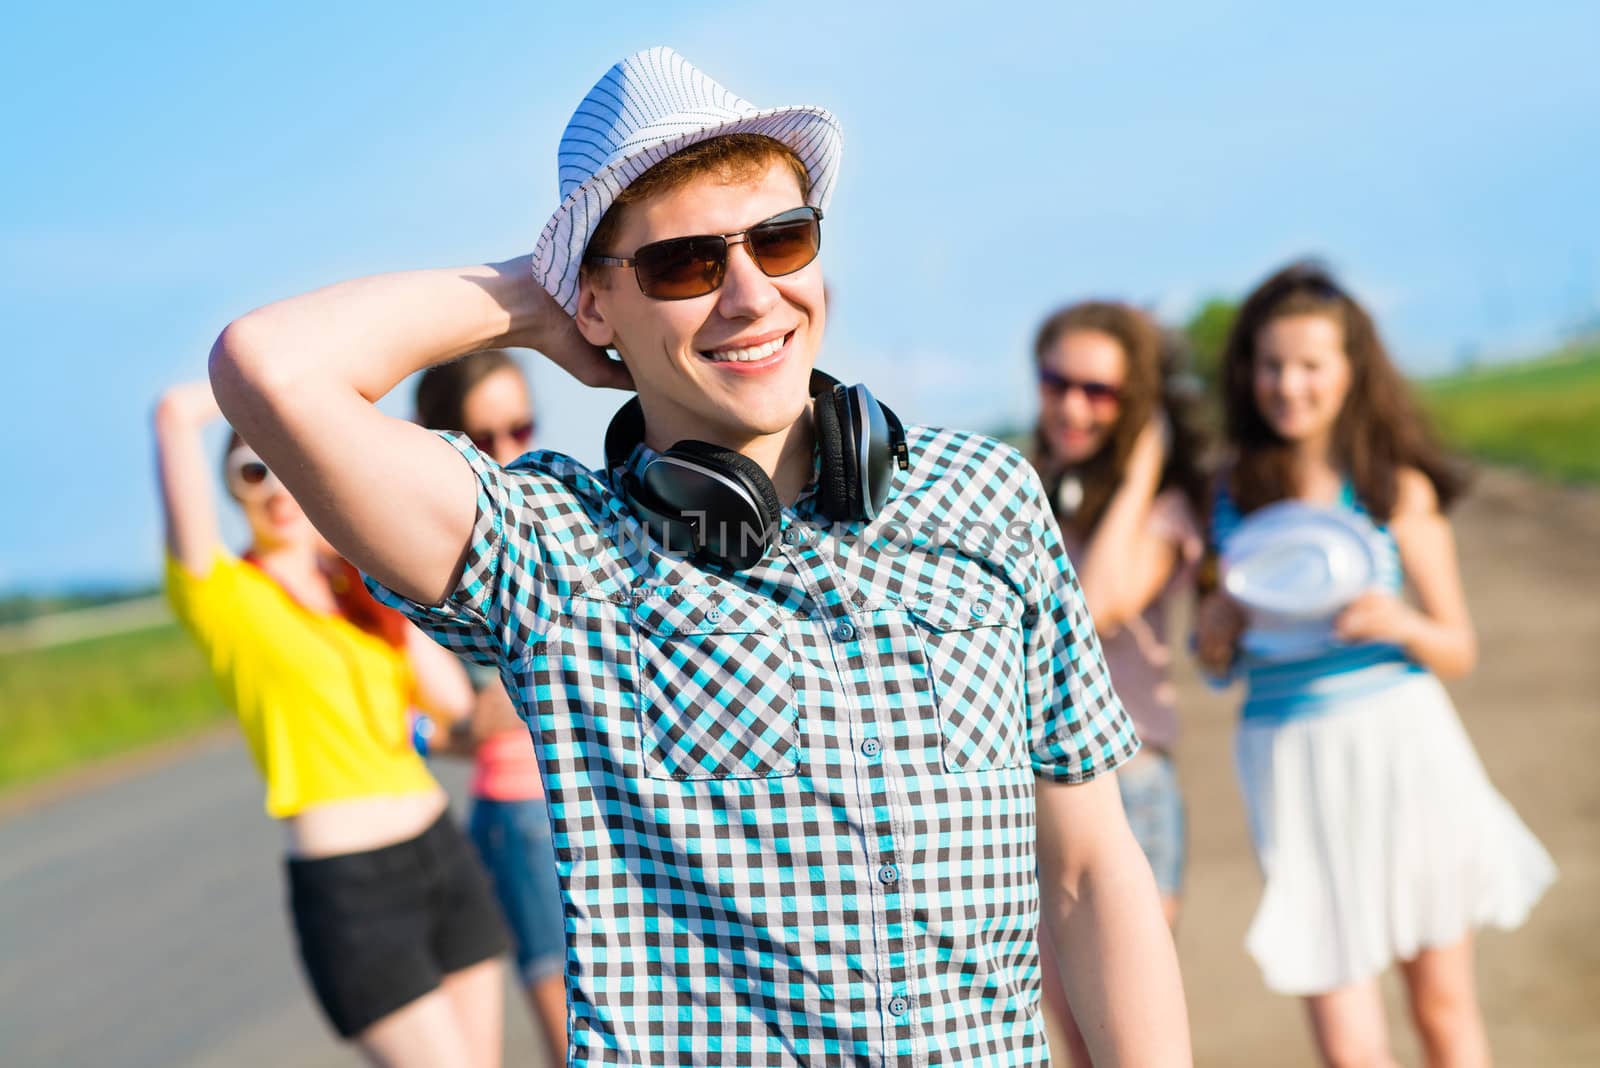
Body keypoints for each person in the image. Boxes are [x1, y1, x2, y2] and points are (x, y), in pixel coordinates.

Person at [205, 47, 1191, 1066]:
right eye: (686, 263)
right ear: (597, 305)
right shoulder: (554, 557)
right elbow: (267, 368)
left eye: (782, 239)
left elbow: (1087, 870)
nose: (751, 295)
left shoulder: (986, 498)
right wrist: (531, 297)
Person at [1193, 261, 1556, 1067]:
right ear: (1247, 371)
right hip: (1288, 763)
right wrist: (1214, 628)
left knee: (1442, 1008)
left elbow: (1457, 649)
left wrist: (1400, 622)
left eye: (1311, 366)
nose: (1289, 385)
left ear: (1352, 373)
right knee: (1347, 1045)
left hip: (1403, 753)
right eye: (1271, 365)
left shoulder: (1395, 491)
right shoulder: (1228, 498)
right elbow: (1215, 666)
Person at [153, 381, 510, 1067]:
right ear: (232, 490)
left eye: (288, 463)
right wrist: (276, 386)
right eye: (254, 470)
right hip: (351, 885)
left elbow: (461, 724)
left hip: (443, 850)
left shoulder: (365, 589)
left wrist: (507, 704)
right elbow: (173, 415)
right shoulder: (223, 596)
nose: (277, 487)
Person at [1025, 302, 1212, 1065]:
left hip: (1129, 786)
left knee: (1132, 1043)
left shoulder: (1164, 511)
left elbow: (1095, 603)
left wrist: (1139, 469)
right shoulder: (1028, 492)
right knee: (1076, 1038)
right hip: (1033, 795)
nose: (1073, 404)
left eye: (1100, 392)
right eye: (1057, 381)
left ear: (1133, 405)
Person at [413, 350, 567, 1059]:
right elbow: (464, 722)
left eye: (522, 426)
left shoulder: (548, 515)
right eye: (485, 438)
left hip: (599, 793)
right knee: (578, 1033)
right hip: (524, 808)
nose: (511, 451)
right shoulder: (430, 552)